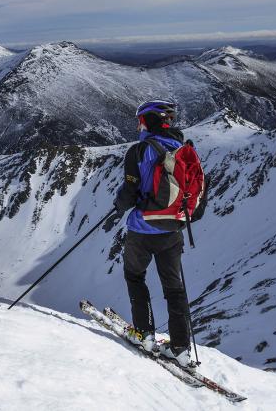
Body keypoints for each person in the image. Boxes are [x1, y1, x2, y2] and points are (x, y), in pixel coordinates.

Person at [103, 99, 193, 367]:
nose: (139, 124)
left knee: (135, 277)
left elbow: (130, 192)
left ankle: (145, 334)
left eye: (141, 120)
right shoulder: (184, 150)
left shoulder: (139, 151)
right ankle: (180, 348)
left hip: (142, 230)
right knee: (174, 289)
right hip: (173, 230)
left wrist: (118, 208)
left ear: (150, 121)